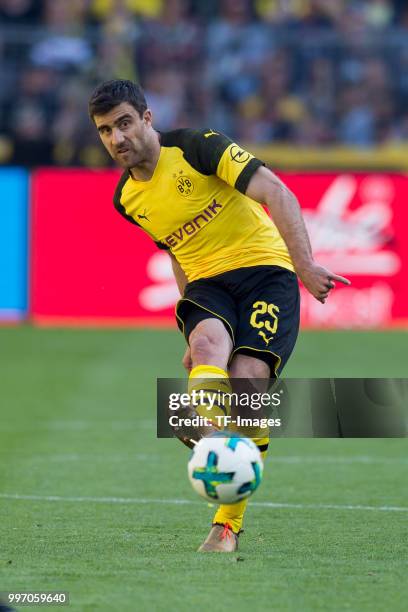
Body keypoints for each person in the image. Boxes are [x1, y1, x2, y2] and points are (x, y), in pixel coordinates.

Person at [88, 79, 350, 552]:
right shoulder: (126, 200)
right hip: (207, 282)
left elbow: (277, 192)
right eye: (106, 131)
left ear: (147, 119)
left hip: (265, 272)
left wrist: (305, 265)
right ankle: (209, 437)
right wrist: (188, 335)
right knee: (208, 348)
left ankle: (226, 524)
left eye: (124, 123)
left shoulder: (196, 146)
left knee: (249, 386)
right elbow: (175, 251)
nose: (117, 138)